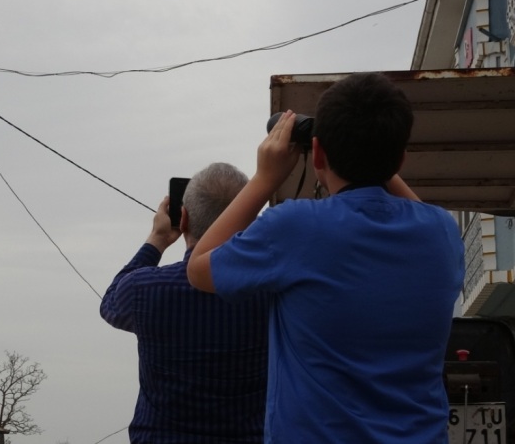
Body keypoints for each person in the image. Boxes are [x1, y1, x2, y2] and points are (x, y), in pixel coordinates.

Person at [187, 73, 464, 443]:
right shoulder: (442, 233)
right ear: (399, 158)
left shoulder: (295, 227)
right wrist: (375, 159)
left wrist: (265, 178)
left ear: (317, 152)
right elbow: (411, 201)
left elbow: (198, 269)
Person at [101, 162, 270, 444]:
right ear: (249, 220)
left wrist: (156, 240)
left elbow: (110, 304)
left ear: (184, 219)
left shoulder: (145, 289)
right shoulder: (271, 294)